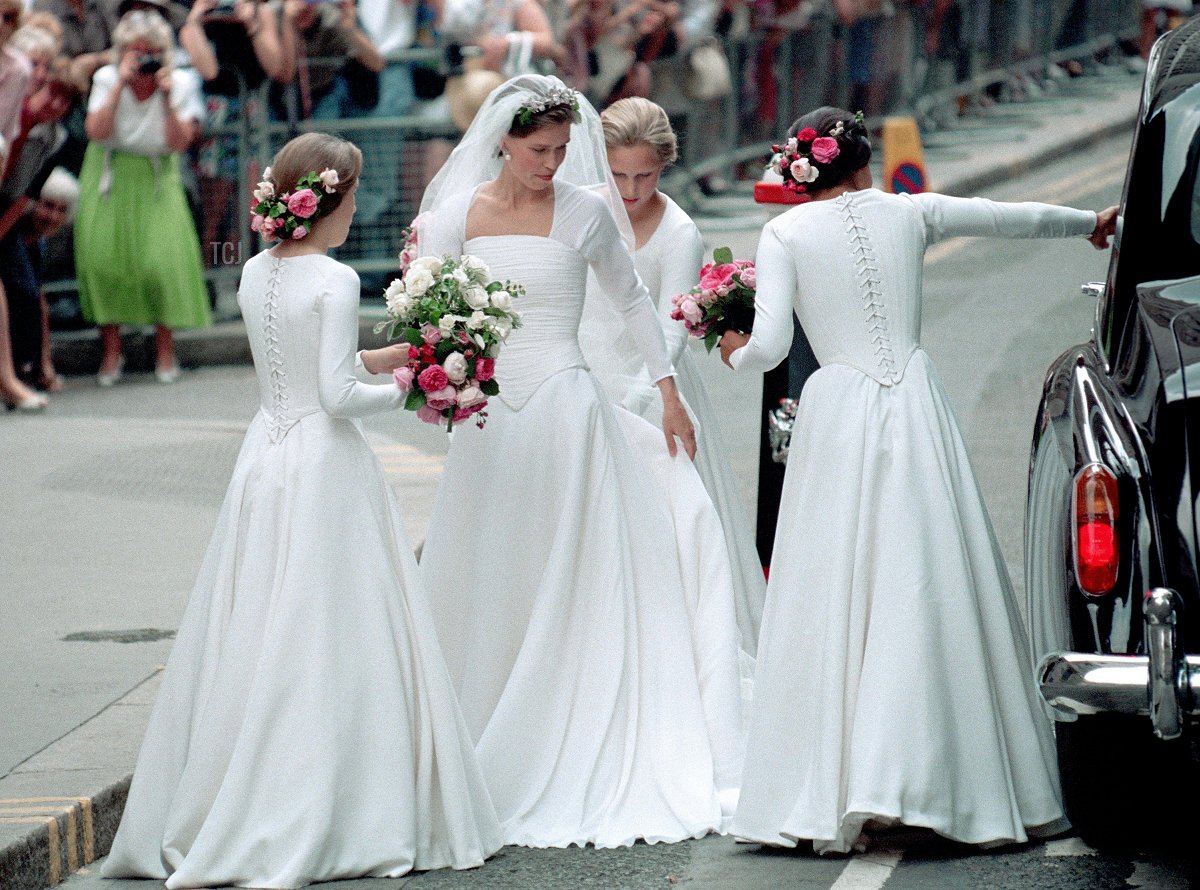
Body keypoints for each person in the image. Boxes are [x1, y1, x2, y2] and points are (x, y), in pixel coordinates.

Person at [101, 132, 503, 888]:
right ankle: (333, 801)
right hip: (323, 464)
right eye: (353, 197)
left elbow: (306, 359)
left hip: (267, 456)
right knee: (330, 625)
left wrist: (391, 359)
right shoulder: (338, 277)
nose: (357, 210)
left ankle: (243, 784)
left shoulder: (256, 270)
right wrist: (431, 391)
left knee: (259, 620)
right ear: (337, 198)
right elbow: (338, 397)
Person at [720, 106, 1118, 854]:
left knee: (839, 586)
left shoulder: (785, 233)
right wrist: (1088, 221)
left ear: (801, 174)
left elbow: (771, 343)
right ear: (866, 165)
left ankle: (846, 778)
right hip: (912, 402)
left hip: (836, 413)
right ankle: (940, 774)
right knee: (926, 576)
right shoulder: (911, 212)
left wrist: (733, 352)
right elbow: (1007, 218)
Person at [417, 74, 737, 847]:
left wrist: (668, 392)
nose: (552, 163)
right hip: (489, 418)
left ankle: (569, 719)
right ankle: (480, 723)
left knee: (571, 568)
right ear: (501, 140)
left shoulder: (586, 213)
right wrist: (439, 377)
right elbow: (429, 309)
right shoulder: (454, 216)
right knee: (489, 565)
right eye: (538, 149)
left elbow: (631, 301)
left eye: (562, 149)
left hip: (568, 408)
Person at [580, 95, 766, 656]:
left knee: (658, 530)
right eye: (617, 175)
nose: (631, 190)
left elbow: (669, 328)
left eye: (645, 175)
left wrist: (642, 395)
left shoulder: (678, 233)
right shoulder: (579, 208)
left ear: (665, 166)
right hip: (582, 374)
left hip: (648, 386)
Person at [76, 9, 211, 386]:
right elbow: (96, 131)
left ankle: (166, 353)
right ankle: (111, 353)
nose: (143, 59)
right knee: (104, 263)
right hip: (110, 170)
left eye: (150, 52)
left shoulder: (180, 82)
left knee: (159, 266)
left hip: (156, 175)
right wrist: (119, 85)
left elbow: (179, 143)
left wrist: (167, 98)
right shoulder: (106, 78)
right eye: (136, 52)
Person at [1, 168, 78, 395]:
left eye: (61, 210)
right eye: (47, 206)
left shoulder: (38, 245)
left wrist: (45, 362)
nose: (52, 217)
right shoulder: (10, 240)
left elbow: (39, 300)